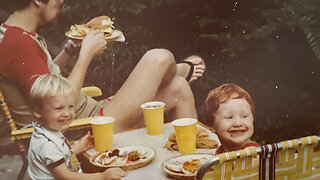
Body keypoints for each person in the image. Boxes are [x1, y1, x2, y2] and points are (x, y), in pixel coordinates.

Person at [0, 0, 205, 133]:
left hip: (90, 115)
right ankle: (172, 71)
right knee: (158, 58)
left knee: (178, 88)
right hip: (84, 127)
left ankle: (189, 165)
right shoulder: (19, 43)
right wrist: (86, 55)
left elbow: (47, 82)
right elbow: (59, 101)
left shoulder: (14, 34)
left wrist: (71, 50)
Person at [27, 74, 127, 180]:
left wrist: (79, 146)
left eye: (70, 106)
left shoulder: (48, 130)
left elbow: (61, 155)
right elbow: (67, 177)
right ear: (38, 112)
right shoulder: (46, 145)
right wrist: (103, 176)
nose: (66, 113)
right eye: (58, 108)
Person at [202, 83, 259, 154]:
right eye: (229, 117)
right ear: (211, 125)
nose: (238, 123)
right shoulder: (221, 151)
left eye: (244, 116)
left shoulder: (253, 154)